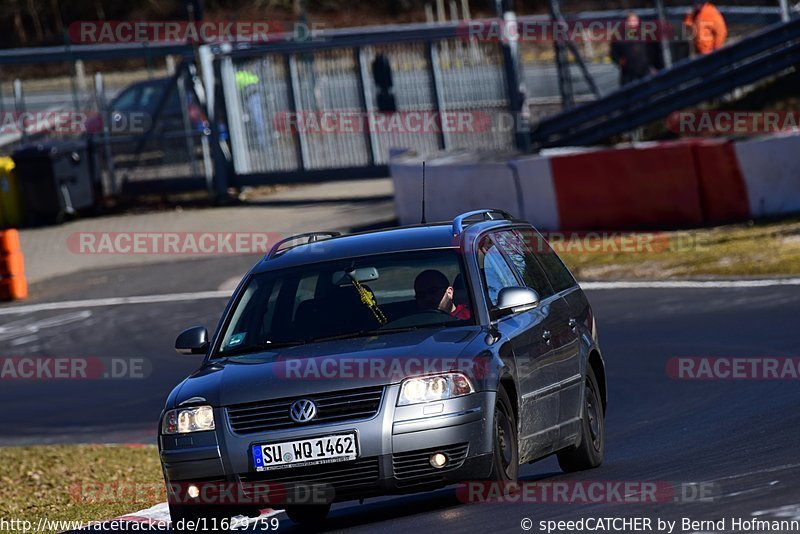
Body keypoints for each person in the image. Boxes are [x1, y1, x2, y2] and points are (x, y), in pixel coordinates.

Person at [610, 12, 664, 86]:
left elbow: (653, 50)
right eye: (631, 21)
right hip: (628, 70)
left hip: (644, 69)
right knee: (628, 92)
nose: (633, 23)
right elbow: (614, 53)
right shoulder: (619, 36)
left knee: (648, 90)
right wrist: (620, 62)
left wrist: (655, 65)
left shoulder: (645, 35)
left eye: (635, 20)